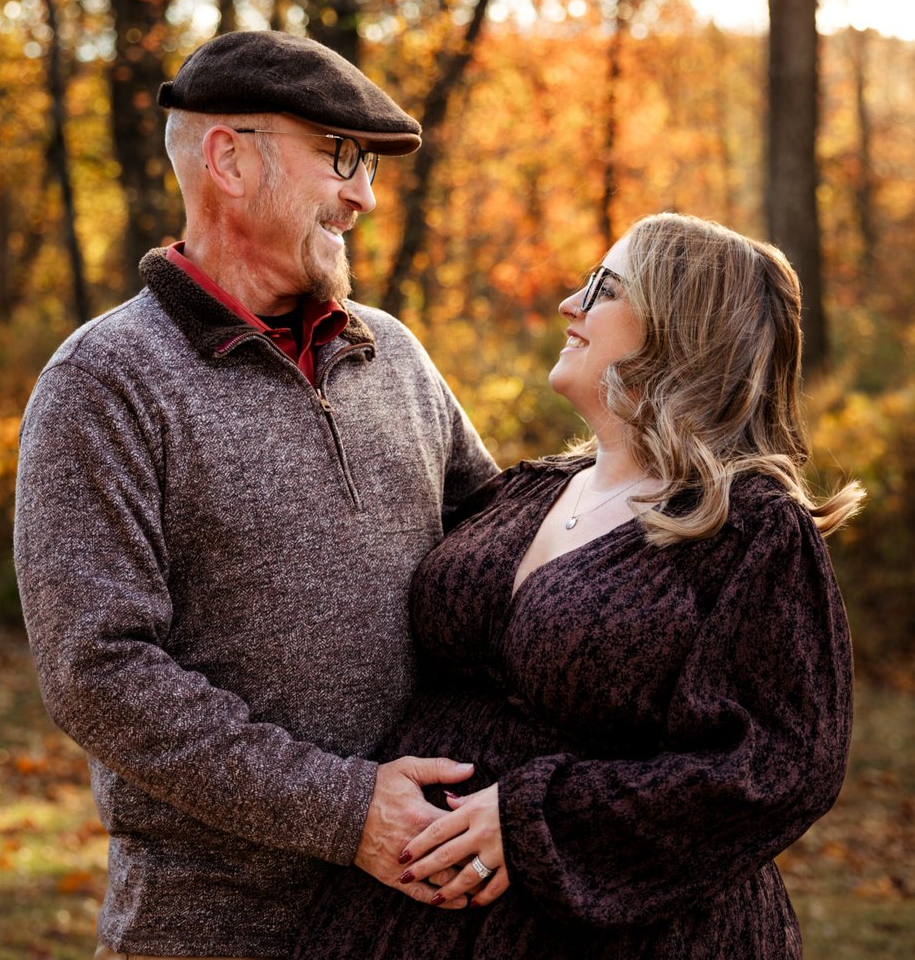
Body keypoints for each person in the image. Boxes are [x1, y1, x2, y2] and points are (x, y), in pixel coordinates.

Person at [13, 30, 498, 960]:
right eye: (337, 157)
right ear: (228, 160)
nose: (363, 194)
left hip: (418, 920)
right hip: (212, 925)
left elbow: (497, 548)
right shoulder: (104, 381)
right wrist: (347, 808)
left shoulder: (391, 351)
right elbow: (100, 672)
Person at [294, 213, 862, 958]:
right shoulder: (529, 488)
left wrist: (537, 820)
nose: (570, 303)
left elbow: (781, 768)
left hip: (614, 934)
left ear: (678, 326)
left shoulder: (752, 530)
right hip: (398, 920)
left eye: (603, 287)